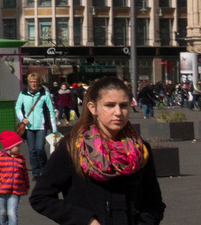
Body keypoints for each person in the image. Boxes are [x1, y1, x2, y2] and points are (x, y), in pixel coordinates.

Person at [30, 75, 164, 224]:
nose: (118, 112)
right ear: (93, 108)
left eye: (124, 105)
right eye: (110, 105)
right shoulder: (72, 147)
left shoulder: (140, 149)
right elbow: (40, 197)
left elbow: (154, 203)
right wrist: (86, 220)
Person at [14, 73, 57, 176]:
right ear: (28, 83)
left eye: (35, 82)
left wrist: (54, 128)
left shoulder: (44, 94)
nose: (33, 84)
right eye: (31, 82)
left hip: (41, 126)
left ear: (39, 83)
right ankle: (35, 172)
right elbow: (18, 107)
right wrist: (22, 118)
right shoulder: (23, 94)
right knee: (32, 150)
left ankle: (44, 168)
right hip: (28, 127)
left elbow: (51, 111)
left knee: (40, 148)